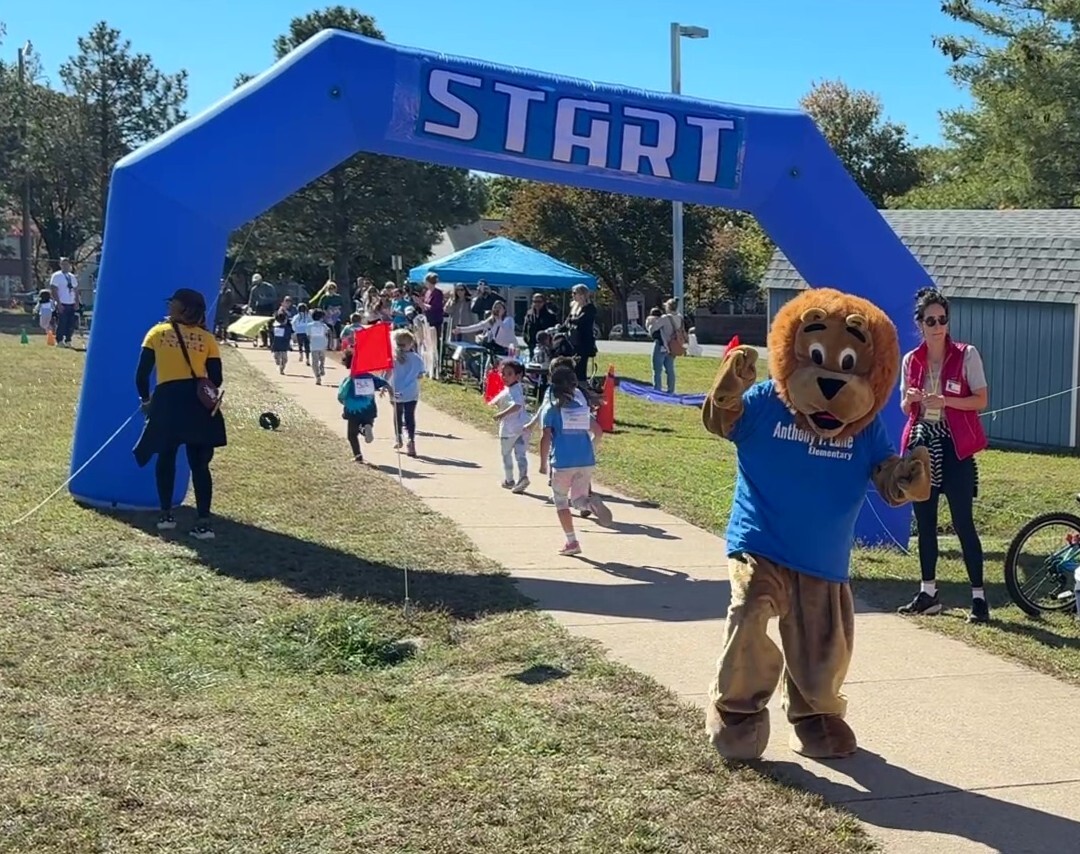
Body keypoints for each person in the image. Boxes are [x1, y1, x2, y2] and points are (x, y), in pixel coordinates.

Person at [897, 286, 991, 624]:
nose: (938, 326)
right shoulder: (912, 360)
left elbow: (981, 400)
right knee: (924, 523)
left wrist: (946, 401)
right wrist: (911, 400)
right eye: (931, 320)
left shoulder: (966, 355)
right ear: (919, 323)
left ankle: (979, 598)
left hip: (956, 448)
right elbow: (905, 405)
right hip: (924, 446)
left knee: (964, 523)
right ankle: (928, 593)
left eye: (943, 319)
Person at [133, 288, 226, 539]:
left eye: (172, 302)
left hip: (167, 401)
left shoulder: (157, 333)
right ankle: (204, 522)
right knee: (200, 465)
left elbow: (141, 375)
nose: (168, 305)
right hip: (196, 403)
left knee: (166, 457)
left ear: (183, 308)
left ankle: (166, 516)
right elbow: (216, 378)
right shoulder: (207, 339)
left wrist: (146, 401)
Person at [538, 363, 611, 555]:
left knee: (561, 502)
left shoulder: (551, 410)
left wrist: (542, 463)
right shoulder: (580, 408)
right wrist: (590, 448)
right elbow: (598, 431)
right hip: (585, 460)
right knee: (578, 500)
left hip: (562, 462)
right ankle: (590, 504)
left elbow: (545, 438)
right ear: (573, 386)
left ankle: (572, 542)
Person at [338, 360, 390, 463]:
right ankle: (365, 429)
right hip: (369, 409)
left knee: (352, 435)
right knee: (368, 423)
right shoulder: (370, 378)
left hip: (353, 411)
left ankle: (358, 456)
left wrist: (344, 404)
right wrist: (389, 390)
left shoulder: (349, 380)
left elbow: (341, 395)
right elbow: (384, 383)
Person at [492, 359, 530, 493]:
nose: (505, 377)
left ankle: (509, 480)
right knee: (521, 454)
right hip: (522, 427)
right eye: (503, 373)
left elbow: (517, 405)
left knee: (506, 454)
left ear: (518, 376)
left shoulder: (514, 390)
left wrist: (501, 414)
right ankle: (523, 477)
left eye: (509, 374)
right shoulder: (515, 388)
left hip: (510, 429)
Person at [389, 328, 426, 457]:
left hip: (396, 391)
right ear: (411, 344)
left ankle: (398, 437)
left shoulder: (392, 358)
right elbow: (420, 375)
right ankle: (411, 439)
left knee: (397, 413)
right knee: (410, 415)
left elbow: (386, 374)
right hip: (411, 392)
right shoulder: (417, 358)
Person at [563, 283, 597, 383]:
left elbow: (581, 320)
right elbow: (566, 322)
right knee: (572, 365)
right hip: (573, 341)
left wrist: (571, 320)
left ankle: (581, 385)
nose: (573, 295)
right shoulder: (574, 307)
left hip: (584, 342)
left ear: (582, 294)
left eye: (575, 293)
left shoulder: (590, 308)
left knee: (581, 367)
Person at [49, 257, 80, 348]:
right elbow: (53, 289)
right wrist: (58, 303)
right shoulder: (56, 276)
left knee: (71, 323)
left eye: (67, 264)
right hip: (62, 302)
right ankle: (59, 340)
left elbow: (76, 290)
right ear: (60, 265)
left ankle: (68, 339)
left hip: (71, 302)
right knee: (62, 322)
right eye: (63, 264)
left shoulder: (72, 277)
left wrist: (77, 302)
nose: (65, 266)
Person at [522, 293, 559, 358]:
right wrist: (527, 341)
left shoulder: (551, 315)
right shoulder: (529, 314)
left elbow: (555, 331)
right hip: (532, 346)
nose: (537, 304)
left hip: (546, 347)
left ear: (543, 302)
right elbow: (525, 330)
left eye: (539, 301)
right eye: (534, 301)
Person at [307, 308, 331, 384]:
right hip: (323, 345)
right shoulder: (324, 326)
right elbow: (329, 332)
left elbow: (308, 335)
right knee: (322, 359)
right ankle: (322, 367)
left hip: (314, 346)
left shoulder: (309, 326)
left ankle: (317, 376)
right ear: (321, 318)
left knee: (315, 362)